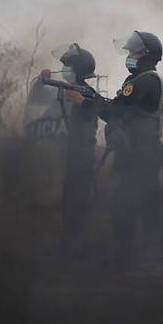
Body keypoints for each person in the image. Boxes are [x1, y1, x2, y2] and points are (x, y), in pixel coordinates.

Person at [98, 30, 163, 267]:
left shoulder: (143, 81)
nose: (129, 56)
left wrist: (87, 101)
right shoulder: (149, 81)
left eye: (133, 52)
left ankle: (120, 260)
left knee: (125, 206)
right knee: (154, 207)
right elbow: (126, 110)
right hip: (145, 154)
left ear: (145, 55)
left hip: (137, 155)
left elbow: (117, 112)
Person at [40, 44, 99, 258]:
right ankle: (70, 243)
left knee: (77, 202)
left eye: (68, 66)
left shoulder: (88, 93)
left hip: (82, 156)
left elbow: (96, 112)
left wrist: (83, 102)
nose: (64, 70)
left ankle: (77, 248)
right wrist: (44, 79)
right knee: (68, 201)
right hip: (73, 155)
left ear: (80, 69)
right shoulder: (71, 90)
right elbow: (47, 93)